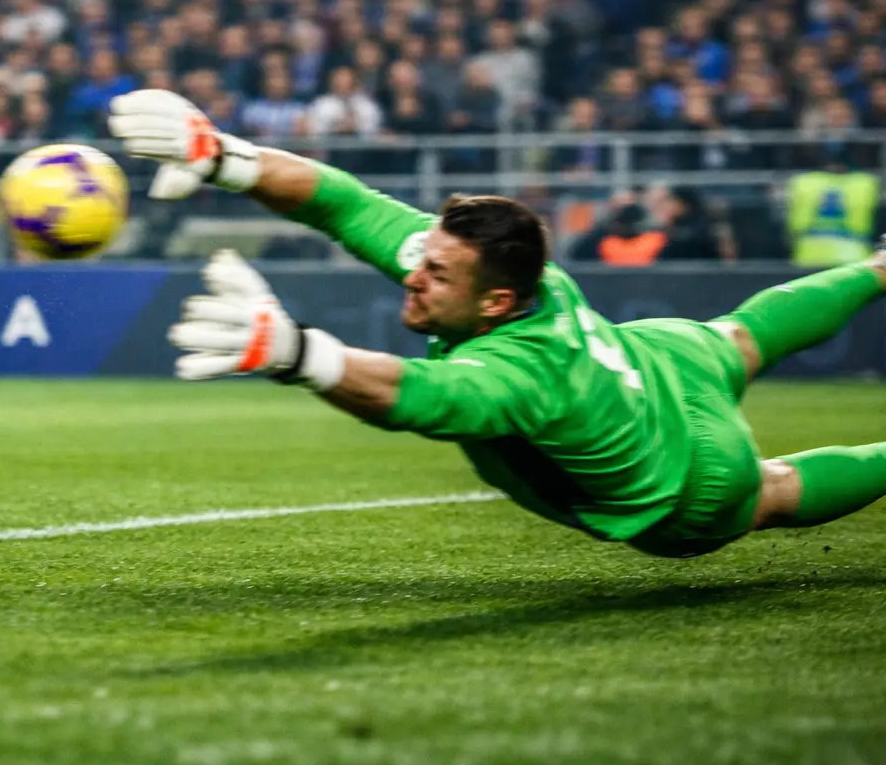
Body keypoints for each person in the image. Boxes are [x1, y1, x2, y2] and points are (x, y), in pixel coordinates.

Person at [109, 89, 886, 559]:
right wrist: (226, 156)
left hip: (690, 480)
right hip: (650, 363)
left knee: (775, 492)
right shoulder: (507, 272)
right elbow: (339, 200)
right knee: (740, 337)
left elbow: (421, 399)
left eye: (437, 275)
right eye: (426, 259)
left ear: (498, 306)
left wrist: (293, 352)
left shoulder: (523, 370)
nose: (415, 274)